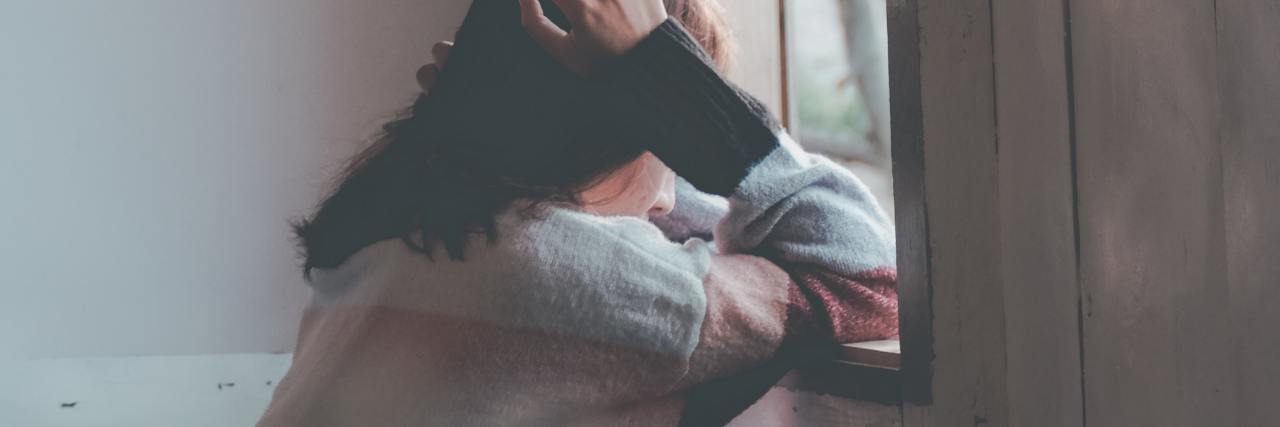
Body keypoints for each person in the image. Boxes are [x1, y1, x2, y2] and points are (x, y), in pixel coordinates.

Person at [257, 0, 897, 425]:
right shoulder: (554, 279)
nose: (671, 198)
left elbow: (634, 210)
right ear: (619, 134)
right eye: (668, 151)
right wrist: (678, 89)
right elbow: (866, 278)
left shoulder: (394, 241)